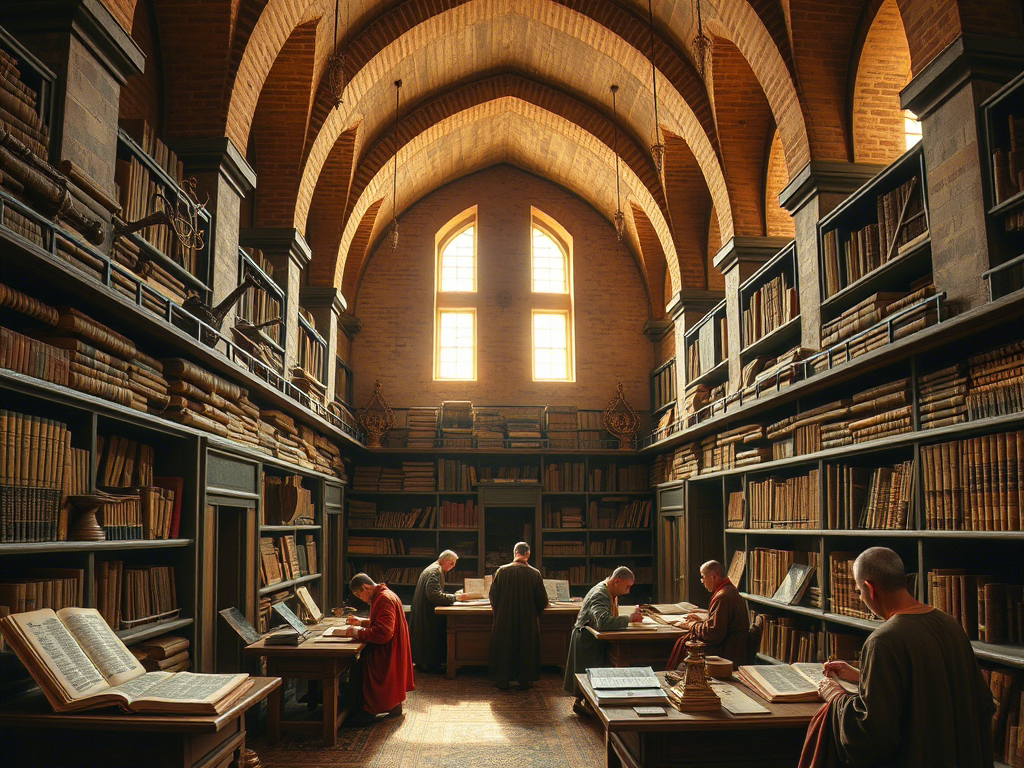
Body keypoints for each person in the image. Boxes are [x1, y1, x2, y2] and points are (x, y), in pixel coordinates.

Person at [801, 547, 993, 768]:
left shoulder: (883, 640)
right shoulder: (949, 624)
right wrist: (862, 675)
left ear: (870, 588)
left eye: (859, 591)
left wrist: (835, 696)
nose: (861, 597)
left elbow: (871, 734)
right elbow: (954, 692)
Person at [342, 573, 414, 724]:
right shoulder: (384, 594)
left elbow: (383, 633)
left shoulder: (383, 599)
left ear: (365, 587)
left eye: (358, 594)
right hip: (393, 647)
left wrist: (356, 633)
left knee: (358, 666)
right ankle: (392, 706)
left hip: (386, 650)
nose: (360, 598)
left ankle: (368, 712)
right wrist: (362, 622)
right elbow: (382, 622)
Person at [563, 566, 634, 714]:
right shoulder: (600, 594)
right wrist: (629, 619)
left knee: (591, 677)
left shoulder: (607, 590)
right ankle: (586, 706)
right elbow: (602, 622)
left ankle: (585, 704)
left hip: (590, 639)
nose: (628, 591)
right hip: (587, 640)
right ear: (617, 581)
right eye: (627, 586)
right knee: (588, 676)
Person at [666, 559, 750, 669]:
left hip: (725, 654)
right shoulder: (729, 590)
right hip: (732, 650)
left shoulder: (723, 597)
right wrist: (701, 622)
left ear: (713, 577)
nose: (702, 581)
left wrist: (692, 625)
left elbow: (713, 633)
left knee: (685, 649)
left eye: (703, 577)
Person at [488, 541, 549, 690]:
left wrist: (500, 612)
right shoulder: (535, 573)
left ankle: (502, 679)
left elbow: (493, 597)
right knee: (526, 647)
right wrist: (534, 613)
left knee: (504, 646)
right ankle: (525, 680)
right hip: (527, 619)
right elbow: (542, 600)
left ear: (514, 552)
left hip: (504, 618)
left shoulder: (501, 571)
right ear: (528, 554)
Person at [410, 550, 470, 672]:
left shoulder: (433, 569)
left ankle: (427, 664)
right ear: (444, 560)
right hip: (427, 613)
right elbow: (434, 595)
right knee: (430, 639)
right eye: (451, 563)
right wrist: (456, 598)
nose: (453, 566)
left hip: (424, 611)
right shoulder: (435, 572)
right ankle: (429, 666)